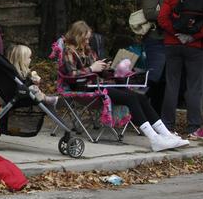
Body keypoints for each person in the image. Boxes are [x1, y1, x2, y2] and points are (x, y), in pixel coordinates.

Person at [59, 20, 187, 152]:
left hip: (99, 84)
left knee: (140, 97)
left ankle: (165, 134)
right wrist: (92, 68)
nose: (87, 42)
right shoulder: (69, 51)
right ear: (77, 36)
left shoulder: (87, 50)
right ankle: (154, 138)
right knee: (130, 99)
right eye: (85, 39)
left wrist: (105, 68)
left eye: (88, 39)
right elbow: (72, 74)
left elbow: (99, 72)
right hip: (83, 88)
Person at [157, 0, 203, 139]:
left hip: (172, 44)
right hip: (196, 46)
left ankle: (167, 125)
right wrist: (195, 36)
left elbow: (162, 18)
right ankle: (194, 127)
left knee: (171, 84)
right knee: (194, 87)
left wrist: (176, 33)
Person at [140, 0, 181, 111]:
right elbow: (149, 12)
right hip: (156, 39)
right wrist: (171, 14)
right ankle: (137, 107)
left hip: (172, 40)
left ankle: (155, 114)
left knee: (164, 80)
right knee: (154, 76)